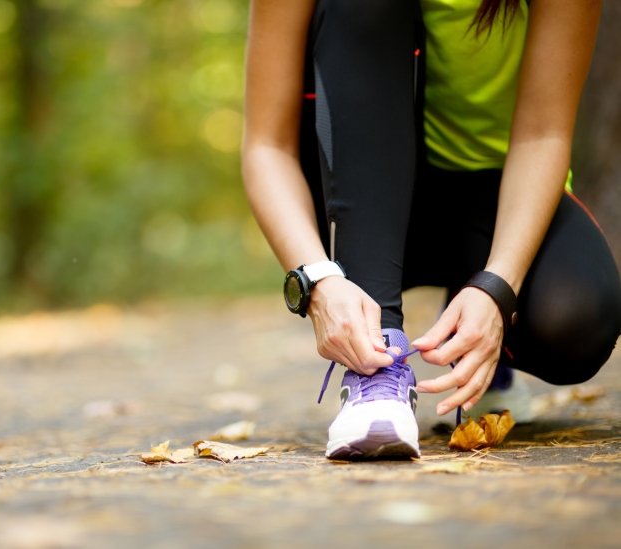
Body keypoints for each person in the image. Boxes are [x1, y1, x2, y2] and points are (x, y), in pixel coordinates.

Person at [241, 0, 621, 459]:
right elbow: (267, 146)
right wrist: (316, 278)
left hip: (498, 197)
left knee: (574, 321)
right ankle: (377, 369)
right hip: (352, 193)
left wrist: (498, 288)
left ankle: (478, 335)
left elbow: (544, 132)